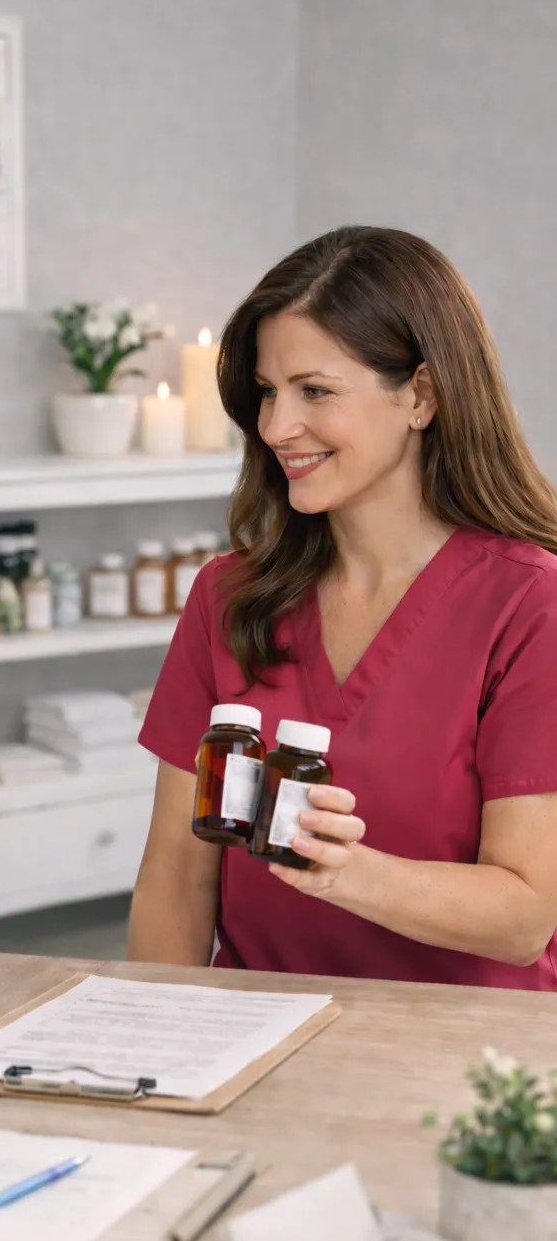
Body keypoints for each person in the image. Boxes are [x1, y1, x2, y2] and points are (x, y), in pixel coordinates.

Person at [128, 225, 557, 991]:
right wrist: (156, 1054)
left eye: (315, 392)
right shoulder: (226, 597)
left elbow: (525, 916)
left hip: (462, 1063)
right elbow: (175, 880)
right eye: (266, 391)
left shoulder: (530, 604)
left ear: (420, 395)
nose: (274, 427)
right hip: (249, 1038)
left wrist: (341, 872)